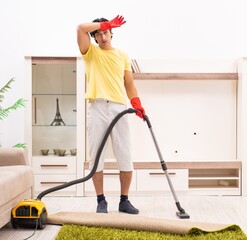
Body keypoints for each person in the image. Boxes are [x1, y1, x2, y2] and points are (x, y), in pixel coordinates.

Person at [77, 15, 145, 214]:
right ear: (95, 37)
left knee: (125, 154)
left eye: (106, 31)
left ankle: (124, 200)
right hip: (97, 108)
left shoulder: (123, 55)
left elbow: (129, 83)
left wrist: (136, 103)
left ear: (111, 33)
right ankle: (101, 201)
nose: (103, 36)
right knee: (96, 157)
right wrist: (104, 23)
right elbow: (80, 28)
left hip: (119, 108)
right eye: (98, 33)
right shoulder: (90, 53)